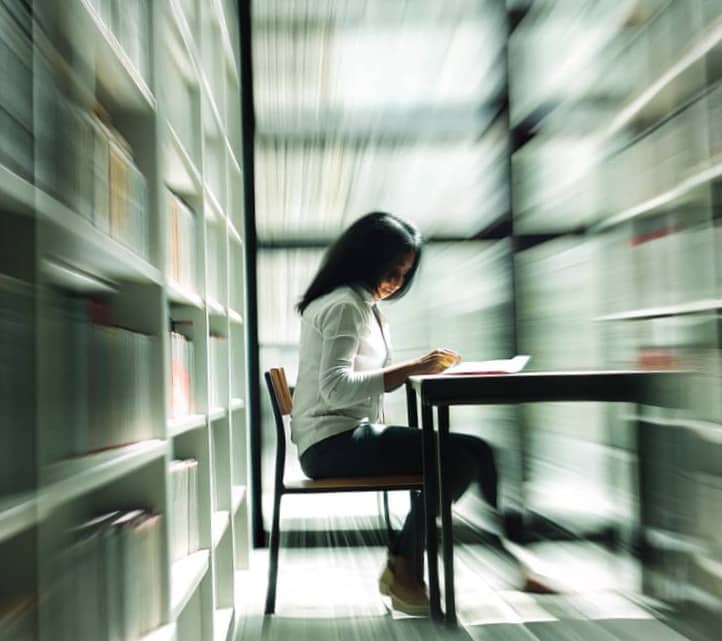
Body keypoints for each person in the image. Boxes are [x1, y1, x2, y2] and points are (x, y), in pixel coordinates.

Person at [290, 211, 502, 616]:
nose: (396, 282)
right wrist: (412, 369)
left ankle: (413, 561)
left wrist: (413, 370)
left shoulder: (362, 306)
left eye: (404, 274)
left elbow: (353, 381)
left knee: (474, 451)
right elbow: (335, 390)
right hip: (331, 445)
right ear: (364, 260)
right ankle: (406, 566)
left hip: (343, 437)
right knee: (459, 458)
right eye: (391, 270)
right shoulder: (344, 306)